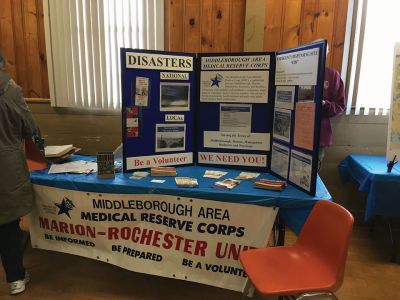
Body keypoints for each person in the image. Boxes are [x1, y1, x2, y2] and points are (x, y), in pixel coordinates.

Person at [0, 50, 36, 295]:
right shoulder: (11, 91)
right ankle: (16, 278)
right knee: (7, 224)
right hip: (6, 166)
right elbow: (29, 127)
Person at [318, 42, 346, 170]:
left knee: (311, 177)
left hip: (319, 137)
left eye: (322, 49)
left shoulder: (332, 75)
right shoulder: (293, 74)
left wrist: (324, 104)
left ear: (327, 52)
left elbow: (340, 105)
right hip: (293, 135)